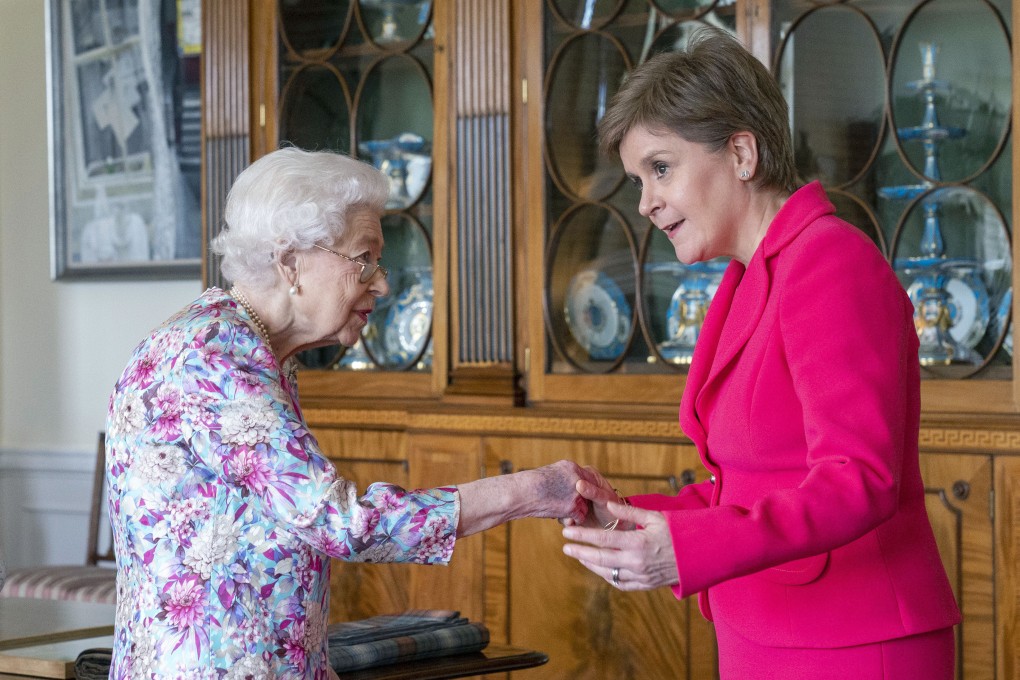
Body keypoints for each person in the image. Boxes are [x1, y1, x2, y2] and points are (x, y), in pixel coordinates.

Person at [560, 27, 961, 679]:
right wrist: (632, 518)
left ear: (742, 153)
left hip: (853, 641)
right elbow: (747, 484)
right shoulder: (750, 275)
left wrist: (688, 551)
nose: (645, 202)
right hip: (764, 632)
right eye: (639, 179)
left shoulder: (830, 262)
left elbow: (860, 480)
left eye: (661, 168)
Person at [105, 146, 595, 679]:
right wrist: (529, 491)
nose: (381, 282)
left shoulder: (253, 350)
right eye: (364, 260)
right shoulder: (213, 357)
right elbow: (341, 523)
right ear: (290, 261)